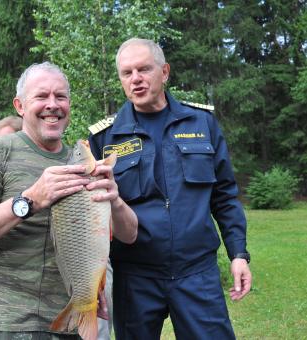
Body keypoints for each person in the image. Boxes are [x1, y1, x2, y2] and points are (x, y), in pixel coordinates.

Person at [0, 62, 137, 340]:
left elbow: (129, 235)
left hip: (76, 323)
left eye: (60, 97)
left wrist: (115, 199)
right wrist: (30, 200)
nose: (53, 104)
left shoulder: (81, 162)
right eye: (41, 96)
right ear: (20, 106)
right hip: (11, 326)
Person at [89, 38, 252, 339]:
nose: (135, 79)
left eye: (143, 69)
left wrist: (238, 254)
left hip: (197, 273)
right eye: (127, 73)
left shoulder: (202, 123)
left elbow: (225, 196)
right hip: (135, 277)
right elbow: (94, 216)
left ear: (164, 72)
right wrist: (95, 280)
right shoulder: (105, 137)